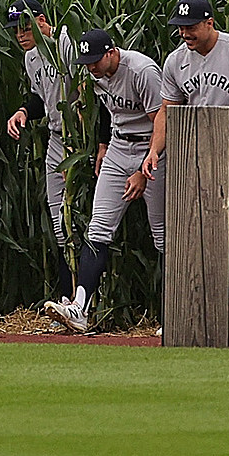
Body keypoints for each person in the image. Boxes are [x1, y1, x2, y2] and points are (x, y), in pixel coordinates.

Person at [43, 30, 169, 336]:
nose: (92, 67)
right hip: (117, 147)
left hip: (152, 150)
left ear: (112, 51)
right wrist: (101, 146)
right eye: (86, 63)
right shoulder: (96, 74)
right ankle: (79, 309)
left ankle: (175, 315)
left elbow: (163, 121)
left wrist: (143, 168)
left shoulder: (141, 71)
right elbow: (103, 111)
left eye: (96, 60)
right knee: (98, 229)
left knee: (164, 236)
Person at [3, 0, 79, 304]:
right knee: (60, 224)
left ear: (42, 21)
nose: (20, 35)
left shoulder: (66, 44)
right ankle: (67, 298)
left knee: (81, 220)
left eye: (25, 27)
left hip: (81, 142)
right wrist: (23, 111)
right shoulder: (31, 57)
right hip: (57, 138)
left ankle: (87, 299)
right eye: (15, 30)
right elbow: (40, 98)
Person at [161, 0, 229, 109]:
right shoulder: (175, 60)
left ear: (209, 23)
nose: (185, 34)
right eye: (181, 28)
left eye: (191, 28)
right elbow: (166, 109)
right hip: (192, 124)